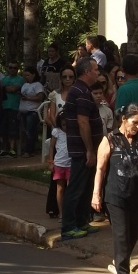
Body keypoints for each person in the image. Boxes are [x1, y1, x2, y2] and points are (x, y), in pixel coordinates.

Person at [92, 103, 138, 274]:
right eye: (135, 122)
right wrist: (96, 194)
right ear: (123, 119)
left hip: (137, 193)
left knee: (136, 230)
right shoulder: (110, 139)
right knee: (121, 233)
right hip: (115, 194)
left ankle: (118, 261)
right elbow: (100, 169)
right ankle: (123, 272)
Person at [59, 57, 103, 240]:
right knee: (76, 186)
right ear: (87, 72)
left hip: (84, 148)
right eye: (95, 70)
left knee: (85, 186)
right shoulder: (82, 92)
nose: (98, 73)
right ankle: (69, 226)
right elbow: (83, 122)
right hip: (82, 149)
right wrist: (89, 150)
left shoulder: (80, 90)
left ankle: (82, 221)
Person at [44, 66, 76, 218]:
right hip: (59, 136)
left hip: (73, 136)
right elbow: (51, 114)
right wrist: (57, 127)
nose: (68, 80)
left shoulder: (77, 94)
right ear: (61, 79)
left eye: (71, 77)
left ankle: (71, 210)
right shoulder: (54, 95)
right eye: (65, 77)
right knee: (57, 179)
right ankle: (54, 208)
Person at [47, 113, 71, 220]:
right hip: (59, 164)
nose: (66, 127)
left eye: (68, 125)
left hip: (70, 164)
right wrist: (51, 162)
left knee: (70, 189)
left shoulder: (73, 132)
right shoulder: (56, 132)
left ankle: (69, 212)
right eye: (64, 125)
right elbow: (51, 147)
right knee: (60, 189)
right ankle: (61, 212)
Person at [18, 66, 45, 158]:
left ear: (33, 75)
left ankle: (29, 150)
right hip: (23, 111)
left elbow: (40, 97)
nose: (26, 77)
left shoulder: (38, 85)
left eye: (28, 75)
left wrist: (28, 98)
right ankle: (28, 149)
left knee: (30, 132)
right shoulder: (25, 85)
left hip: (32, 112)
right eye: (25, 75)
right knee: (25, 132)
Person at [0, 62, 24, 157]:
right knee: (3, 129)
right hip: (4, 106)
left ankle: (12, 149)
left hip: (14, 107)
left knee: (13, 129)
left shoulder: (20, 79)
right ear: (8, 68)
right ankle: (3, 149)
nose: (12, 69)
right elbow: (3, 89)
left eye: (15, 67)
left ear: (17, 69)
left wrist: (6, 88)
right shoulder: (4, 79)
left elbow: (14, 89)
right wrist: (8, 89)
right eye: (10, 67)